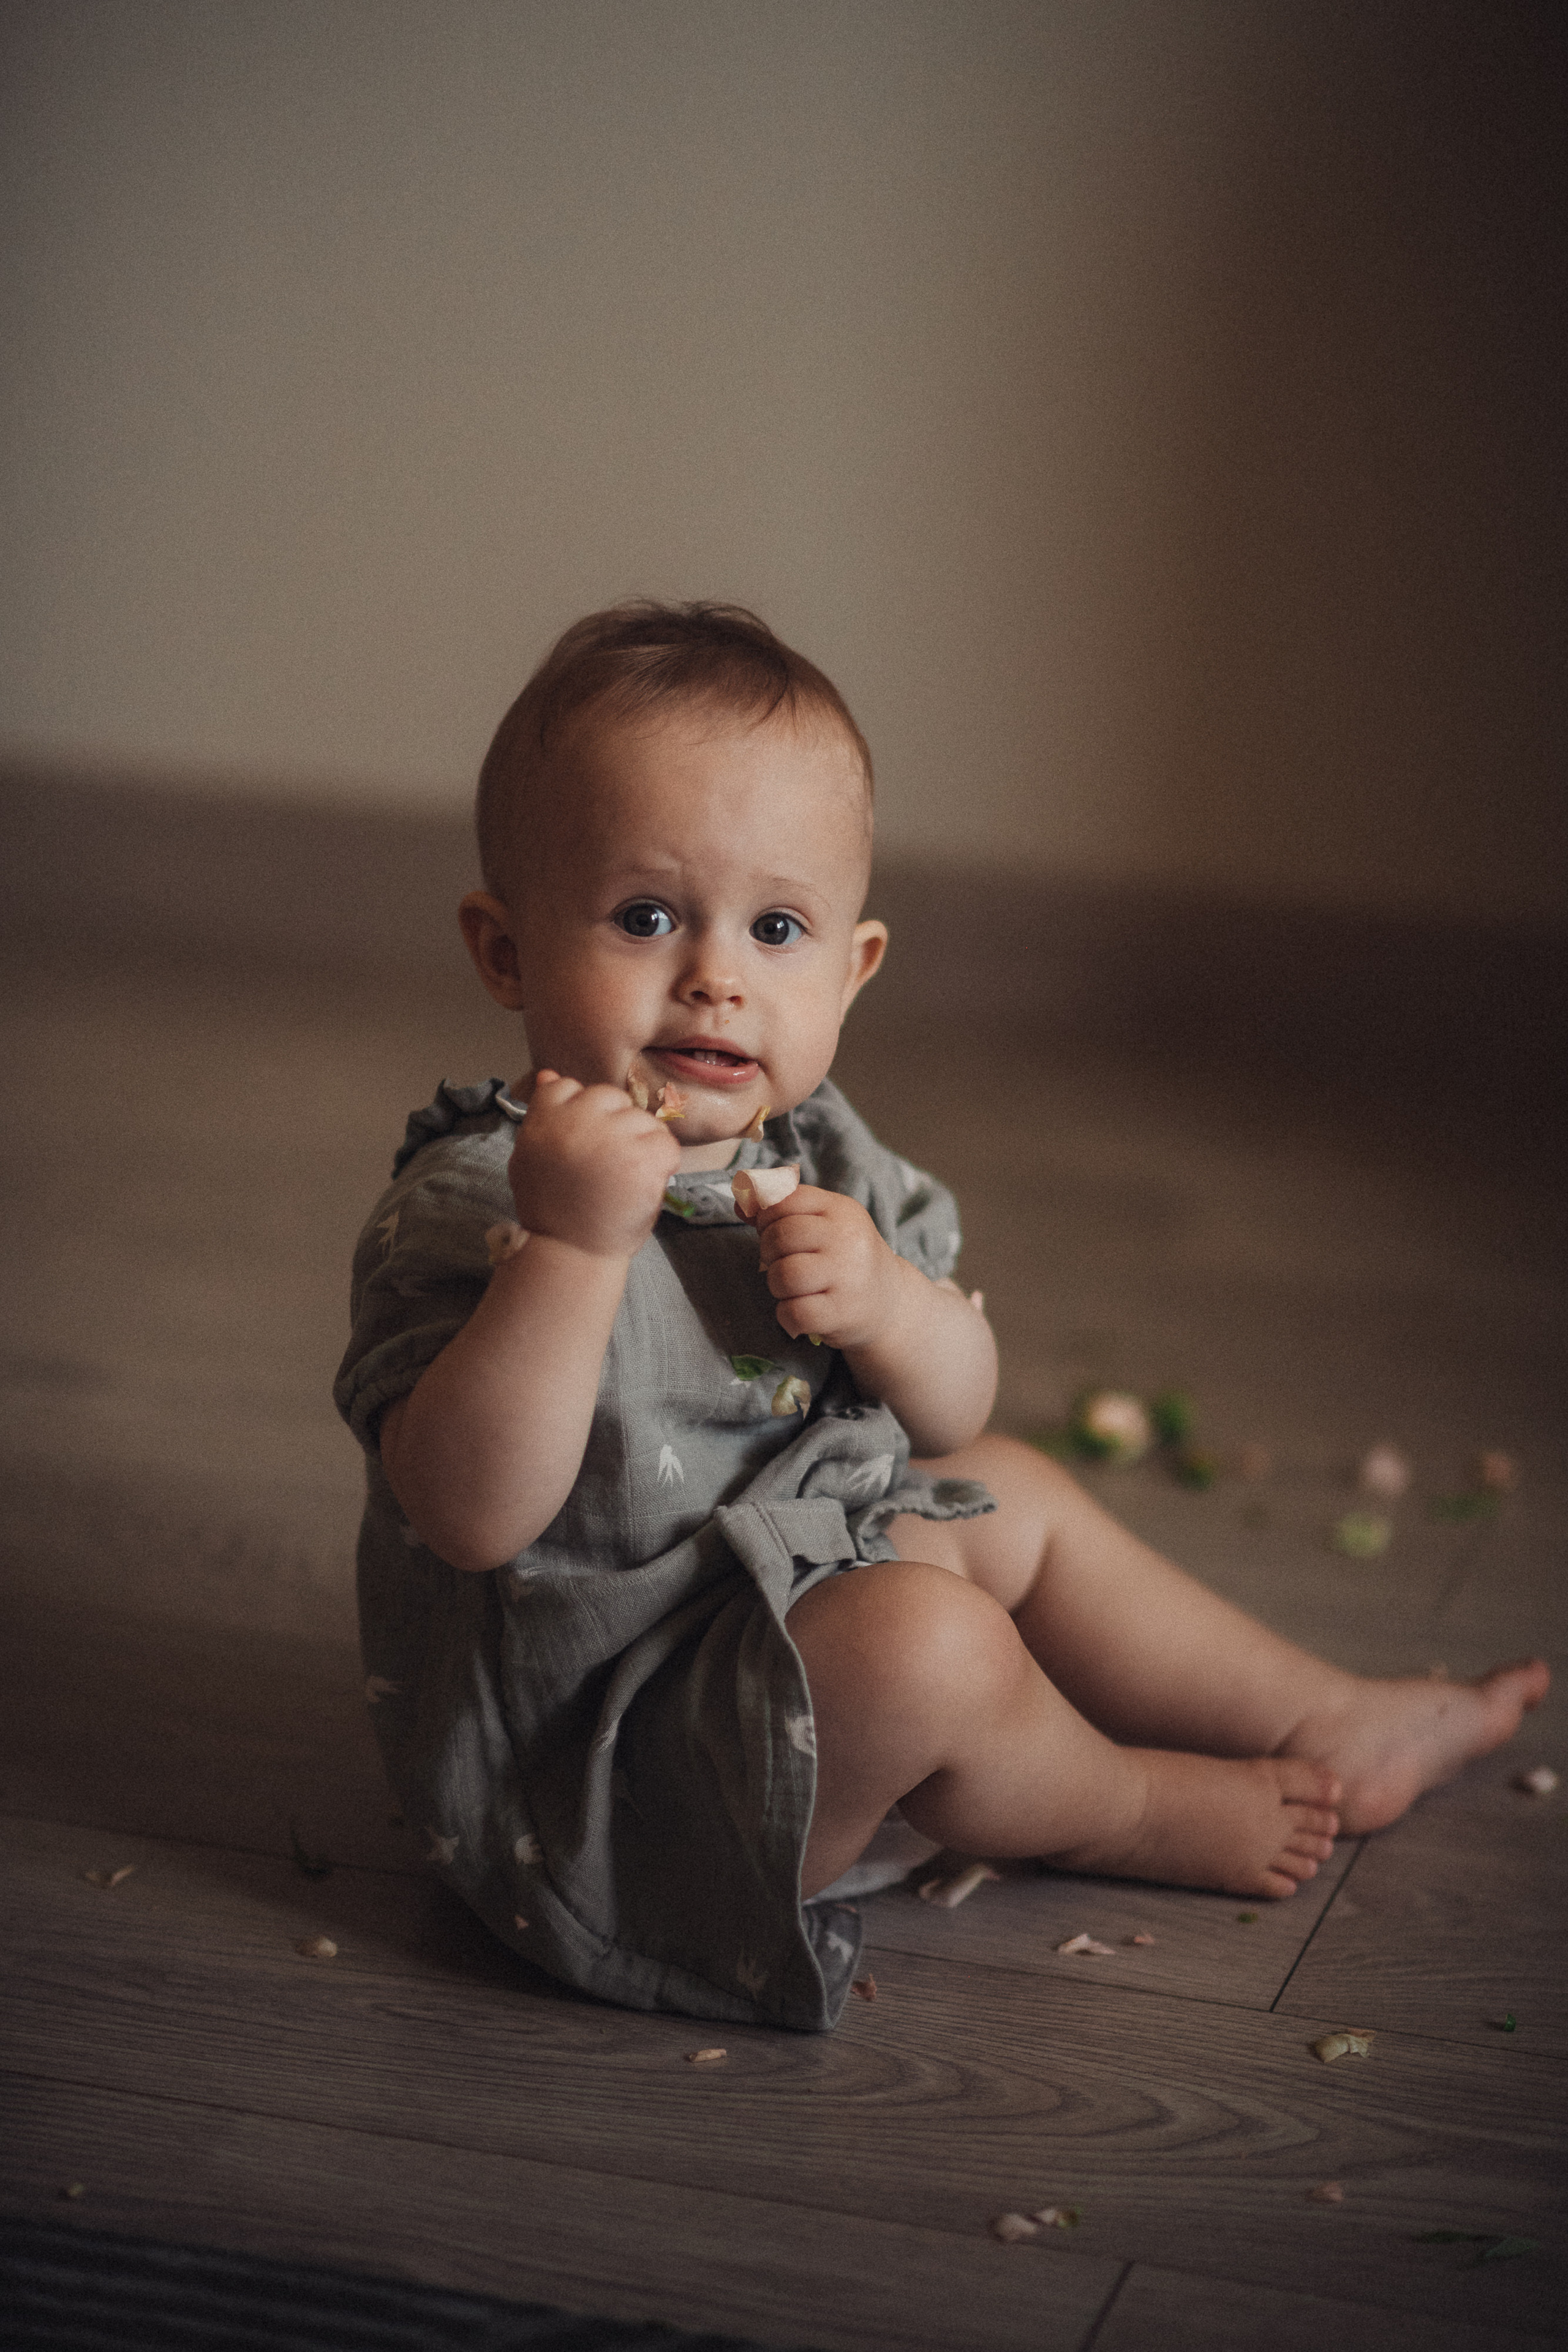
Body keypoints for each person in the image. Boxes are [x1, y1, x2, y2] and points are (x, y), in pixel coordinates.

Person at [334, 601, 1547, 2032]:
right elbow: (471, 1515)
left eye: (776, 927)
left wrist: (894, 1308)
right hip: (620, 1784)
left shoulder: (824, 1156)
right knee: (928, 1644)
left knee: (1005, 1489)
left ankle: (1317, 1714)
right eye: (645, 915)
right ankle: (1125, 1806)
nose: (716, 972)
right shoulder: (477, 1198)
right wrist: (573, 1249)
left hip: (783, 1614)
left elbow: (951, 1407)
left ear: (848, 970)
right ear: (506, 952)